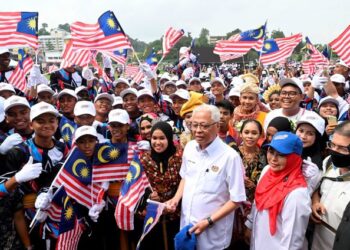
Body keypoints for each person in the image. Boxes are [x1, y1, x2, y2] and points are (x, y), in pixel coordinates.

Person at [166, 104, 246, 250]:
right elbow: (186, 177)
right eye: (194, 125)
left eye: (204, 126)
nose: (197, 130)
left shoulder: (230, 157)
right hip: (187, 230)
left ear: (217, 126)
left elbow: (237, 199)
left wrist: (208, 221)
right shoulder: (190, 148)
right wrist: (175, 199)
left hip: (213, 236)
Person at [246, 132, 311, 250]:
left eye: (281, 155)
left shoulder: (297, 193)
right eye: (271, 152)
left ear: (294, 158)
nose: (273, 159)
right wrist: (250, 225)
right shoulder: (267, 171)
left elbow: (292, 241)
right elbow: (258, 200)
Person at [137, 121, 182, 250]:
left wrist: (173, 202)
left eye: (162, 138)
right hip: (151, 218)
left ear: (169, 138)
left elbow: (185, 183)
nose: (157, 142)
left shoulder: (178, 159)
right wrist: (149, 195)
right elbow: (136, 187)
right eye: (154, 138)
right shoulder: (143, 160)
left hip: (174, 215)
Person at [311, 121, 350, 250]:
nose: (334, 151)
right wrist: (315, 202)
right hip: (316, 240)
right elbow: (319, 187)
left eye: (342, 148)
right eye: (332, 145)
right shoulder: (328, 163)